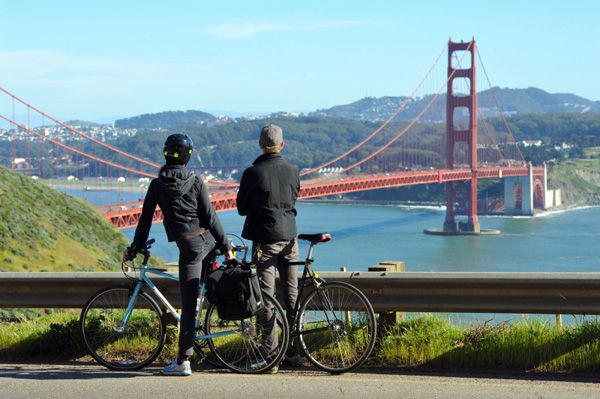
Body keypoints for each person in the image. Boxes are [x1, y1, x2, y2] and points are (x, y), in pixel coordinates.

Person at [123, 133, 232, 376]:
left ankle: (184, 360)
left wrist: (134, 248)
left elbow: (145, 222)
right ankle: (200, 340)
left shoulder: (157, 185)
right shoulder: (196, 180)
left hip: (191, 248)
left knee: (189, 303)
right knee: (200, 294)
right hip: (209, 241)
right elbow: (211, 217)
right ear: (188, 156)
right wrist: (225, 246)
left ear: (165, 153)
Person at [236, 124, 302, 373]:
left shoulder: (252, 173)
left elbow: (242, 208)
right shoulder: (293, 170)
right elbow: (292, 198)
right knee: (292, 295)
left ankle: (270, 356)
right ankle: (295, 352)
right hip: (290, 238)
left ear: (260, 145)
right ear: (282, 144)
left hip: (265, 241)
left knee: (266, 298)